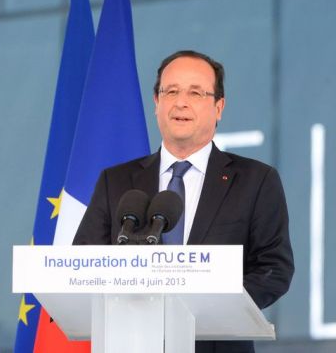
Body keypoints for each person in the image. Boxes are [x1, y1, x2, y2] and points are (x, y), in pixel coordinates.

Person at [73, 50, 294, 353]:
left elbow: (274, 268)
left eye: (195, 93)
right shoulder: (117, 181)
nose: (181, 102)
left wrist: (208, 308)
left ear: (219, 107)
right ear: (156, 102)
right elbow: (85, 263)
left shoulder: (255, 180)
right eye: (171, 91)